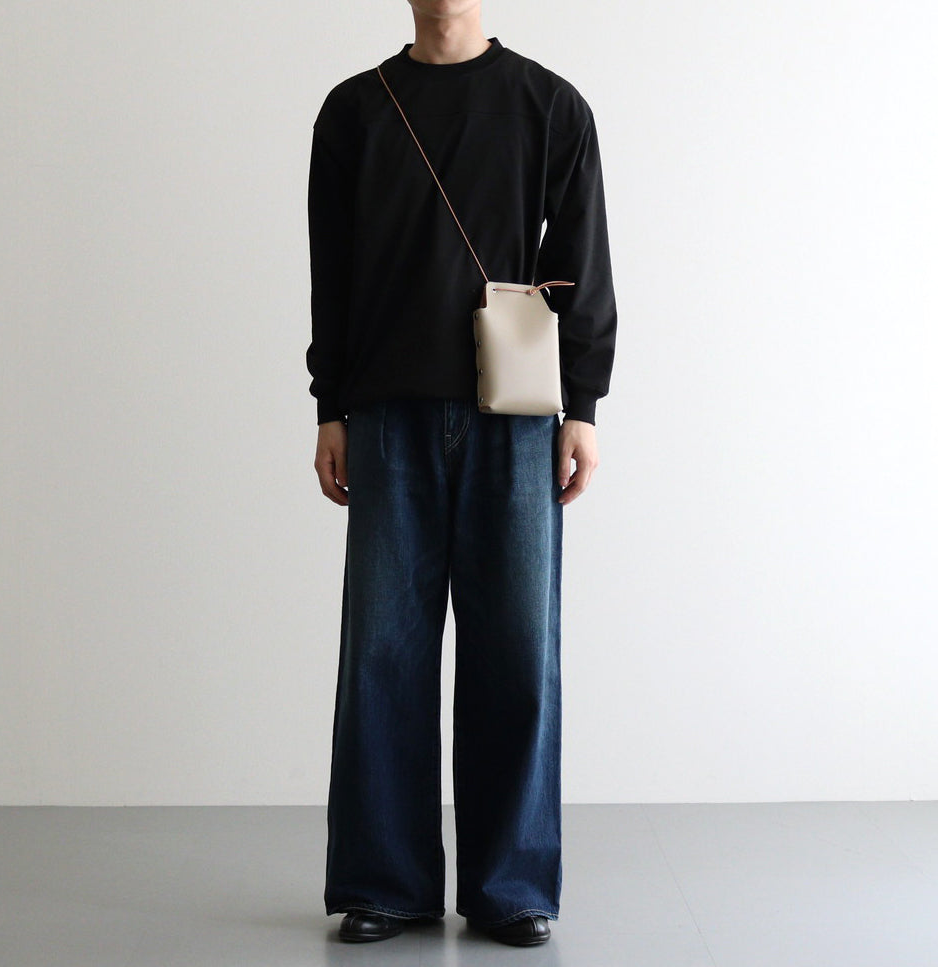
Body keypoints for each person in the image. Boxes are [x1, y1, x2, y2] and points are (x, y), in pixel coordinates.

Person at [306, 0, 617, 947]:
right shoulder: (355, 109)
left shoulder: (548, 105)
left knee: (517, 653)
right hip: (386, 415)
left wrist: (582, 405)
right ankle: (384, 881)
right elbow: (332, 269)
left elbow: (583, 259)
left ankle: (511, 884)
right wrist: (329, 405)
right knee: (382, 654)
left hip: (515, 420)